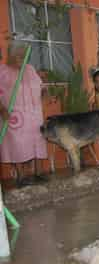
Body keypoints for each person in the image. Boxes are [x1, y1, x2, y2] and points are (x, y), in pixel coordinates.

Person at [0, 41, 48, 187]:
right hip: (15, 116)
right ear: (11, 56)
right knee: (17, 144)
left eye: (24, 56)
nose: (23, 59)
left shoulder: (29, 69)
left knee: (37, 141)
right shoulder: (2, 71)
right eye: (20, 56)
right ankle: (21, 175)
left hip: (34, 114)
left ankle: (38, 171)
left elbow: (39, 86)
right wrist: (2, 110)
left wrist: (44, 89)